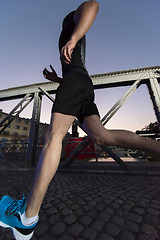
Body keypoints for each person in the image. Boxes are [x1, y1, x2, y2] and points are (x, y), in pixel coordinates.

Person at [0, 1, 160, 239]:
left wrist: (74, 37)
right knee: (101, 135)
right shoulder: (71, 46)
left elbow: (92, 5)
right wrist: (56, 79)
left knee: (54, 137)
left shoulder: (70, 22)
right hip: (81, 84)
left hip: (76, 80)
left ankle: (27, 218)